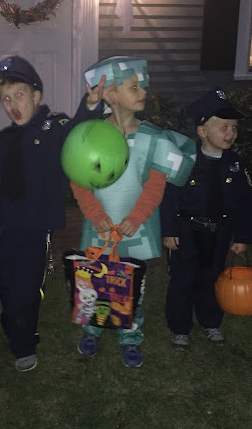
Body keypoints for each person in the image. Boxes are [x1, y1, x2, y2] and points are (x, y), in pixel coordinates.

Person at [0, 55, 106, 372]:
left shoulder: (55, 127)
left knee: (22, 293)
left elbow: (77, 133)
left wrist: (91, 105)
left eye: (19, 95)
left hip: (30, 232)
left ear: (36, 95)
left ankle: (23, 344)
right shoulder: (4, 138)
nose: (12, 103)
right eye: (6, 98)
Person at [71, 56, 196, 367]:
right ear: (111, 94)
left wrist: (136, 218)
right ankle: (93, 328)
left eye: (143, 87)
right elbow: (79, 180)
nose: (143, 92)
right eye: (134, 86)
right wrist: (94, 213)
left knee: (132, 286)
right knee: (96, 280)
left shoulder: (153, 138)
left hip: (136, 228)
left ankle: (130, 334)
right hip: (99, 226)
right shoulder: (91, 135)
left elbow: (155, 186)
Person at [160, 87, 252, 348]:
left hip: (219, 232)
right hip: (186, 231)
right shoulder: (185, 160)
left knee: (212, 278)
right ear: (202, 131)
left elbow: (244, 202)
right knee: (182, 280)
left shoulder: (235, 164)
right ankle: (180, 328)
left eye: (234, 127)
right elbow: (169, 197)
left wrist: (242, 236)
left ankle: (211, 322)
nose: (230, 133)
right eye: (223, 127)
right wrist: (169, 230)